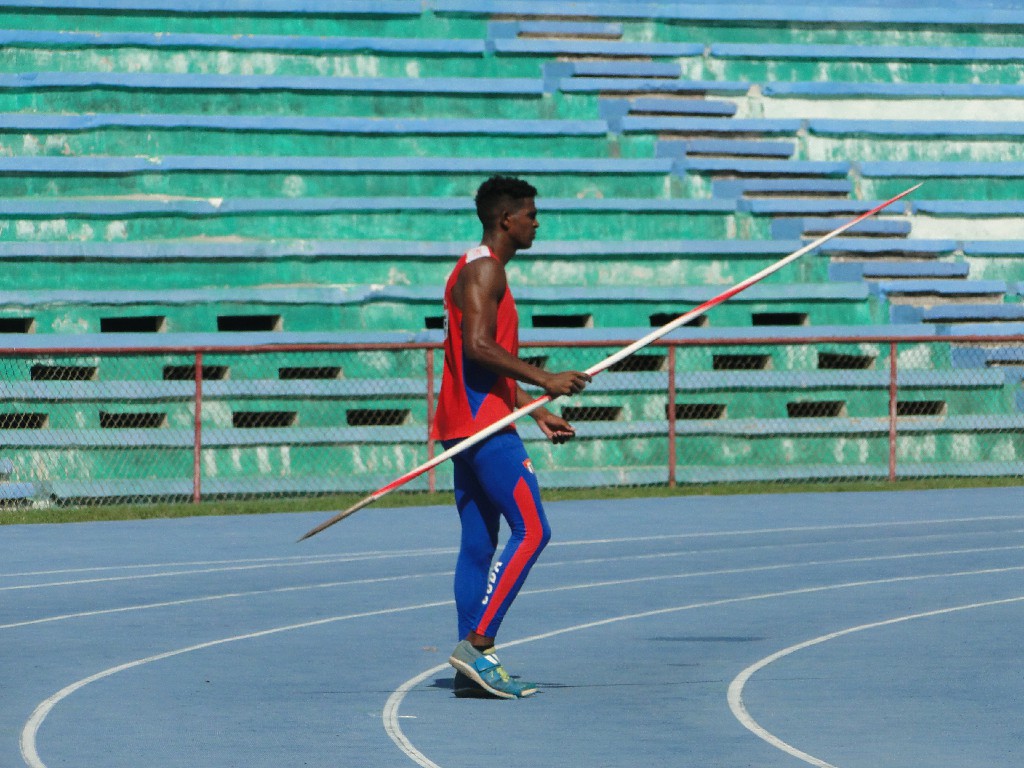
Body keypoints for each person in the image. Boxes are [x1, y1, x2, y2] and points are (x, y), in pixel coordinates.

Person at [431, 176, 591, 699]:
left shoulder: (474, 266)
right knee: (534, 531)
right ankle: (478, 645)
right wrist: (544, 379)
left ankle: (468, 672)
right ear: (507, 220)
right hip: (484, 430)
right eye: (530, 214)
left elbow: (479, 366)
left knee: (478, 546)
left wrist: (532, 410)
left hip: (469, 424)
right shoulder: (485, 270)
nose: (536, 223)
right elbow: (477, 347)